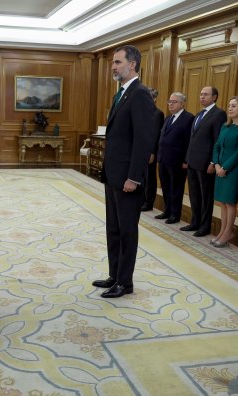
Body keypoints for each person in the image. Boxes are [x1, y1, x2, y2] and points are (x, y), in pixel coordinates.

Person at [92, 45, 156, 298]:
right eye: (113, 63)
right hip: (113, 175)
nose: (113, 66)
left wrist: (134, 177)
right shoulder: (121, 94)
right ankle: (114, 274)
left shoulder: (140, 94)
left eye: (118, 62)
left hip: (128, 178)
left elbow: (144, 140)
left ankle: (125, 282)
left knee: (128, 230)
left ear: (133, 64)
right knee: (113, 228)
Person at [182, 86, 227, 237]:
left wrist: (213, 163)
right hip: (193, 162)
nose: (201, 97)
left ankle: (205, 226)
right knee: (194, 194)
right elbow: (192, 139)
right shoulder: (199, 113)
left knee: (206, 196)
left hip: (206, 164)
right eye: (201, 94)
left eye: (205, 95)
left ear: (214, 97)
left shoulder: (219, 114)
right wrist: (187, 158)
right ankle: (195, 222)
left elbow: (217, 141)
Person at [210, 96, 238, 247]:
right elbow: (216, 146)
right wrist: (216, 165)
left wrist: (225, 167)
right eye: (229, 106)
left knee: (230, 202)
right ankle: (222, 231)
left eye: (234, 106)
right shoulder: (225, 126)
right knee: (222, 202)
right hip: (220, 167)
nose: (230, 108)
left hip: (234, 169)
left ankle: (228, 232)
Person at [155, 92, 194, 224]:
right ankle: (167, 210)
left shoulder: (188, 118)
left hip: (178, 161)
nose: (170, 104)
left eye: (174, 102)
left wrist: (186, 160)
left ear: (182, 103)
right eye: (169, 102)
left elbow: (189, 141)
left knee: (176, 188)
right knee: (165, 187)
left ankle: (175, 214)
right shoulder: (168, 118)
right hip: (164, 159)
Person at [141, 88, 165, 212]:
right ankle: (141, 199)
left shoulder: (158, 114)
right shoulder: (142, 112)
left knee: (150, 177)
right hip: (140, 150)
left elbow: (155, 135)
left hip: (150, 151)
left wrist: (152, 152)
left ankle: (149, 202)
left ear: (154, 98)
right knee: (141, 176)